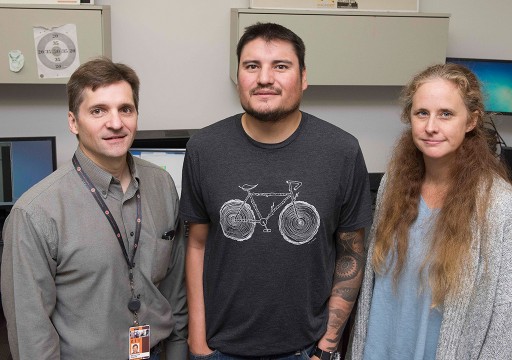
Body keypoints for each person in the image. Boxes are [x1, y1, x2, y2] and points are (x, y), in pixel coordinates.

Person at [180, 22, 372, 359]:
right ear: (238, 76)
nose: (264, 78)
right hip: (219, 348)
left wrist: (326, 347)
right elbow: (196, 245)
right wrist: (198, 340)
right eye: (251, 66)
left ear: (304, 77)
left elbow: (351, 253)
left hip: (304, 349)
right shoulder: (203, 149)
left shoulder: (342, 151)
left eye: (280, 66)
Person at [0, 57, 187, 360]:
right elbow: (30, 333)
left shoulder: (163, 184)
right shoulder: (35, 213)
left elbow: (176, 289)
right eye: (98, 110)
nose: (115, 123)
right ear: (73, 121)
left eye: (125, 109)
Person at [348, 63, 512, 359]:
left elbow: (509, 324)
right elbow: (376, 288)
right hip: (379, 349)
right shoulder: (392, 185)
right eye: (422, 113)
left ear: (471, 121)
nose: (431, 126)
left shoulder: (500, 206)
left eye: (446, 114)